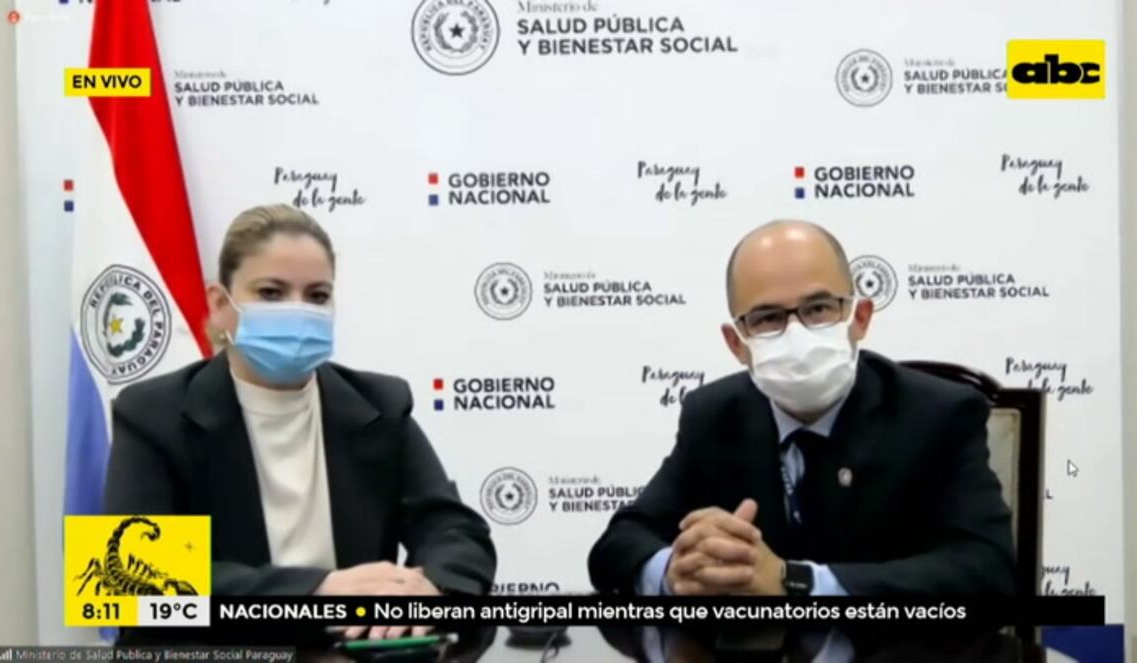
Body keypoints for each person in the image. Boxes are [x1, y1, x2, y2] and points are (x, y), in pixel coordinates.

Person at [588, 220, 1014, 653]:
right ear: (736, 343)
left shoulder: (938, 414)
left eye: (818, 309)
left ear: (859, 318)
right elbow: (619, 543)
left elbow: (989, 571)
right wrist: (677, 571)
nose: (797, 334)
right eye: (768, 318)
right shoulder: (714, 414)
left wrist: (797, 584)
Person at [104, 204, 495, 644]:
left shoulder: (379, 405)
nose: (298, 311)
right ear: (219, 304)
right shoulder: (152, 413)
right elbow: (130, 574)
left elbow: (454, 531)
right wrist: (317, 590)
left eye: (317, 296)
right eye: (271, 293)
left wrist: (429, 589)